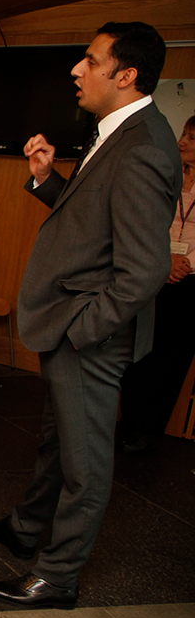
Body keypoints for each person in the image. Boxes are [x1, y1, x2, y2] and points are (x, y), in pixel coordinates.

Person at [0, 21, 181, 610]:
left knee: (86, 462)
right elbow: (96, 221)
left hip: (90, 331)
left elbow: (144, 269)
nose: (77, 70)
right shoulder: (117, 131)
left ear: (126, 75)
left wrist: (82, 331)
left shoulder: (144, 146)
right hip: (76, 322)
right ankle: (26, 527)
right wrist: (47, 181)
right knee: (57, 441)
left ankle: (57, 576)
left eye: (90, 61)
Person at [117, 114, 195, 453]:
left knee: (172, 359)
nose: (181, 142)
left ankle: (148, 432)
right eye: (183, 135)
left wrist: (186, 263)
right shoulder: (168, 176)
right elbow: (145, 220)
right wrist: (167, 259)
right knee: (140, 351)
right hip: (155, 273)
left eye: (191, 139)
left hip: (191, 282)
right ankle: (127, 423)